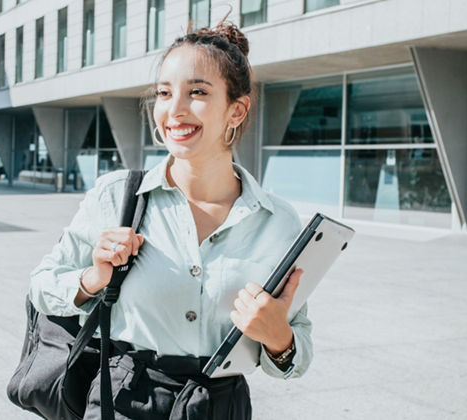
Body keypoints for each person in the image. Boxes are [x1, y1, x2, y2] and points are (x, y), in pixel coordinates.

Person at [29, 15, 312, 420]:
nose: (174, 110)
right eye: (164, 92)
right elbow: (40, 285)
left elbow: (298, 350)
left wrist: (279, 339)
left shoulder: (277, 221)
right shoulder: (117, 197)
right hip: (124, 400)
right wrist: (93, 280)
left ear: (237, 110)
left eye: (196, 91)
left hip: (222, 405)